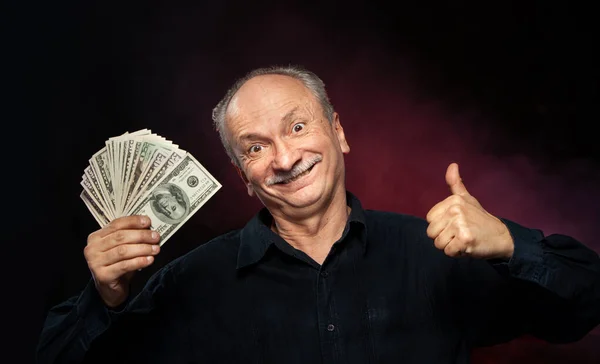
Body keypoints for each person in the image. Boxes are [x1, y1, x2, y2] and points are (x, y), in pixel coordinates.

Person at [36, 65, 600, 364]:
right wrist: (103, 299)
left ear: (339, 131)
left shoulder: (435, 255)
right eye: (255, 147)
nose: (284, 158)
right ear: (243, 177)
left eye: (297, 127)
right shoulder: (192, 283)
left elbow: (584, 307)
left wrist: (510, 243)